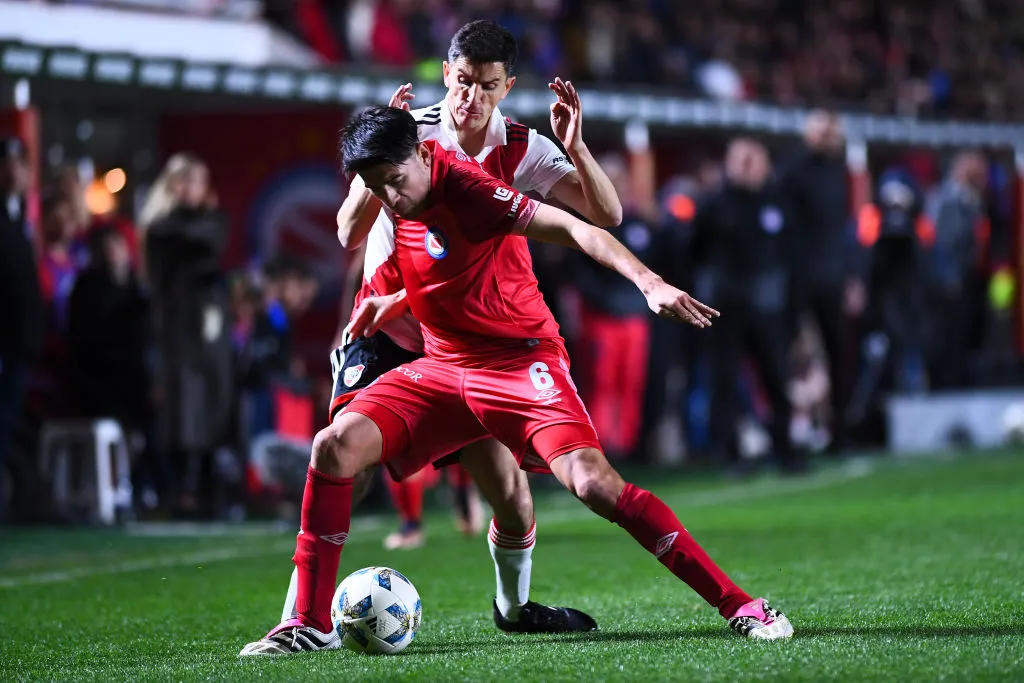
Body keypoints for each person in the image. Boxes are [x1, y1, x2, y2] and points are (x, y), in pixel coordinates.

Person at [239, 107, 793, 656]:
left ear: (422, 153)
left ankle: (741, 606)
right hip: (443, 365)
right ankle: (308, 624)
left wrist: (650, 284)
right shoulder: (399, 191)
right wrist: (396, 300)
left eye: (395, 181)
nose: (391, 198)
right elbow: (448, 267)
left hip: (518, 363)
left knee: (593, 485)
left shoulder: (472, 188)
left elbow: (579, 227)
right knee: (333, 446)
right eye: (376, 187)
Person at [277, 19, 620, 636]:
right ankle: (301, 620)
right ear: (445, 73)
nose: (471, 98)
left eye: (487, 86)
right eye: (463, 81)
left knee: (511, 499)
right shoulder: (410, 135)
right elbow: (348, 233)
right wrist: (371, 163)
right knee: (338, 460)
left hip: (467, 345)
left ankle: (514, 609)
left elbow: (606, 214)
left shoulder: (524, 147)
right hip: (386, 330)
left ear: (508, 86)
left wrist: (577, 146)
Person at [690, 139, 803, 474]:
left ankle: (785, 450)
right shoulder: (712, 205)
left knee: (776, 379)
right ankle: (729, 454)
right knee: (723, 382)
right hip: (725, 308)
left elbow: (793, 259)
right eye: (740, 159)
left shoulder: (780, 205)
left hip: (769, 308)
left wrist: (793, 311)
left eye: (753, 159)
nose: (746, 166)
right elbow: (693, 253)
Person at [778, 111, 854, 453]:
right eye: (823, 130)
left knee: (839, 353)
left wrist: (851, 276)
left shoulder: (839, 173)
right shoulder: (791, 171)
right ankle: (789, 430)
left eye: (832, 130)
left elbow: (842, 231)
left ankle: (840, 431)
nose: (829, 136)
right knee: (790, 356)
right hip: (798, 279)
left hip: (831, 278)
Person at [0, 135, 43, 521]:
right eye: (7, 164)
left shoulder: (20, 217)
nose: (14, 172)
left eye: (20, 165)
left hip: (18, 344)